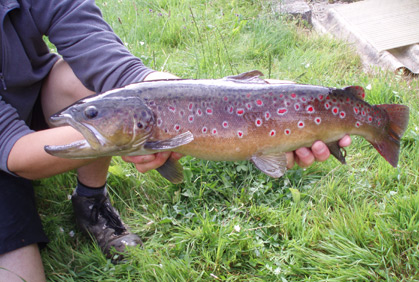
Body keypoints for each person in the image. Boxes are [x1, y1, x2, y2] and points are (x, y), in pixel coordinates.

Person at [0, 0, 351, 281]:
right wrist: (125, 138)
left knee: (94, 90)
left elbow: (110, 62)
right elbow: (13, 152)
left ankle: (90, 200)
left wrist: (179, 95)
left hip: (38, 96)